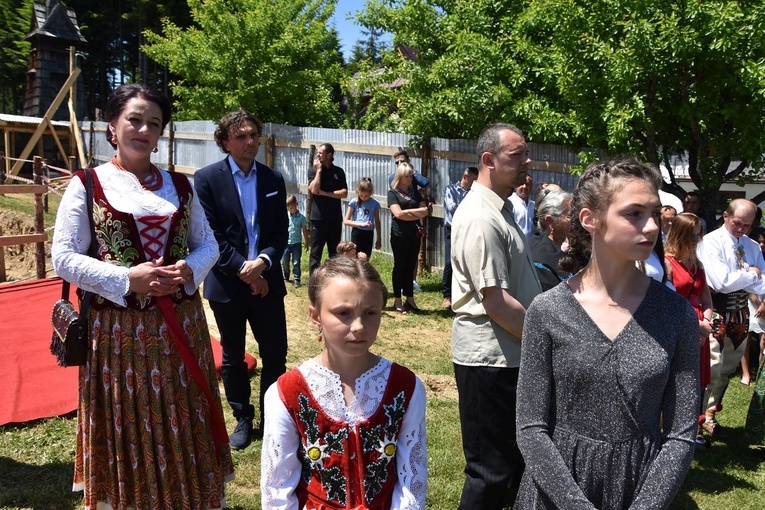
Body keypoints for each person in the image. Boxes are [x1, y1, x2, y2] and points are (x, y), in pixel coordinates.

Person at [51, 83, 233, 507]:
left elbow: (208, 243)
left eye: (154, 122)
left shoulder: (181, 187)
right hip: (118, 332)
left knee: (179, 411)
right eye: (134, 119)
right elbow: (63, 257)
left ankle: (187, 495)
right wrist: (126, 278)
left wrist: (189, 268)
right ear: (113, 126)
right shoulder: (87, 183)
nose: (143, 129)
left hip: (181, 327)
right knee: (128, 417)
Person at [515, 158, 700, 509]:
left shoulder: (676, 315)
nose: (650, 228)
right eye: (633, 214)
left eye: (654, 214)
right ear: (590, 219)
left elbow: (680, 435)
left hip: (640, 487)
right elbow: (530, 426)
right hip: (556, 490)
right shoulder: (548, 311)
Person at [260, 257, 428, 509]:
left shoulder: (405, 387)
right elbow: (277, 489)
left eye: (370, 313)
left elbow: (412, 481)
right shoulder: (287, 392)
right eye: (344, 313)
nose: (359, 326)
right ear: (315, 316)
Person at [451, 123, 542, 509]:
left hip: (508, 356)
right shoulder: (481, 218)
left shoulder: (500, 210)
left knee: (512, 466)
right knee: (490, 472)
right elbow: (497, 302)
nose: (527, 162)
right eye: (517, 155)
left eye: (525, 153)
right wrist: (547, 342)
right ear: (488, 160)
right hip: (492, 361)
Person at [195, 109, 289, 450]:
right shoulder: (207, 179)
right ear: (225, 142)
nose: (251, 141)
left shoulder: (272, 179)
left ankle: (272, 416)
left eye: (253, 134)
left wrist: (262, 264)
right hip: (228, 284)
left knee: (275, 354)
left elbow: (280, 231)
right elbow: (211, 235)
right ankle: (242, 418)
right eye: (242, 136)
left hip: (267, 283)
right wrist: (244, 271)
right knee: (233, 356)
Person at [697, 198, 765, 437]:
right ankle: (697, 416)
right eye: (738, 222)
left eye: (747, 225)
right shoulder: (711, 242)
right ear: (726, 216)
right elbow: (720, 282)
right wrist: (751, 273)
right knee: (711, 366)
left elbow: (763, 281)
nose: (742, 229)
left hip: (740, 312)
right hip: (715, 310)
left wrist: (747, 276)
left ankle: (711, 414)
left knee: (728, 367)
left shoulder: (752, 246)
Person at [664, 212, 715, 449]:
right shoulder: (668, 263)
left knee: (697, 381)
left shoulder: (697, 264)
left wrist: (706, 324)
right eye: (692, 235)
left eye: (699, 235)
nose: (696, 240)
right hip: (678, 326)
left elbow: (706, 298)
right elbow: (669, 302)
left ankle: (691, 428)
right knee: (676, 378)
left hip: (700, 329)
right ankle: (669, 430)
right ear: (680, 234)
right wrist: (697, 326)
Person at [388, 162, 430, 314]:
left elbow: (425, 211)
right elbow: (397, 214)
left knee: (410, 266)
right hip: (399, 234)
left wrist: (409, 213)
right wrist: (415, 212)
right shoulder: (392, 193)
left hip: (414, 233)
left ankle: (410, 299)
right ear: (400, 176)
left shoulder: (415, 192)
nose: (410, 178)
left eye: (411, 175)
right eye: (407, 176)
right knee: (400, 266)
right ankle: (397, 300)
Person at [308, 143, 348, 273]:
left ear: (329, 155)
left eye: (320, 153)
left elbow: (344, 193)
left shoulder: (338, 172)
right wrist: (319, 171)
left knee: (334, 253)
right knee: (316, 253)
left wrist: (325, 193)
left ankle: (333, 281)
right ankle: (313, 283)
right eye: (317, 152)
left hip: (335, 219)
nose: (317, 155)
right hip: (318, 219)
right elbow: (314, 189)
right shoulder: (313, 171)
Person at [442, 166, 478, 308]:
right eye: (474, 180)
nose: (476, 183)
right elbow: (453, 208)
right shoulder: (450, 189)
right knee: (450, 262)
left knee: (468, 261)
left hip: (469, 229)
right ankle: (447, 296)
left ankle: (464, 294)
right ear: (465, 177)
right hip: (452, 230)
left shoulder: (474, 193)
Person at [530, 188, 573, 291]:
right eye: (570, 216)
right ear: (550, 221)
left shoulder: (565, 246)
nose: (576, 220)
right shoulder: (541, 259)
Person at [743, 226, 765, 386]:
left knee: (763, 338)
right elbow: (747, 285)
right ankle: (745, 372)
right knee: (746, 337)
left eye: (764, 242)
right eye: (759, 242)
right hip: (751, 301)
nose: (762, 245)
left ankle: (760, 372)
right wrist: (758, 303)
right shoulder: (749, 256)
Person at [343, 176, 381, 259]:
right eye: (361, 196)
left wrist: (379, 238)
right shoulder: (354, 202)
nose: (363, 198)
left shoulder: (375, 203)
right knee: (355, 258)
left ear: (371, 193)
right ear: (358, 192)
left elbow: (377, 222)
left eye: (366, 196)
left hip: (369, 234)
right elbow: (346, 221)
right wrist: (361, 224)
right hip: (357, 233)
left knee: (366, 258)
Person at [282, 194, 309, 287]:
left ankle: (297, 279)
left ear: (296, 204)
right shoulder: (285, 217)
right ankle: (285, 276)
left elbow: (305, 231)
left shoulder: (301, 218)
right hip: (286, 243)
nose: (291, 210)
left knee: (296, 262)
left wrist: (306, 242)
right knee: (284, 261)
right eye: (289, 208)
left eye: (292, 208)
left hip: (296, 244)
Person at [509, 173, 535, 241]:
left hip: (531, 248)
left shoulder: (534, 206)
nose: (524, 186)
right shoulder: (510, 203)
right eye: (521, 183)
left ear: (531, 186)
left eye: (527, 184)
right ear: (516, 186)